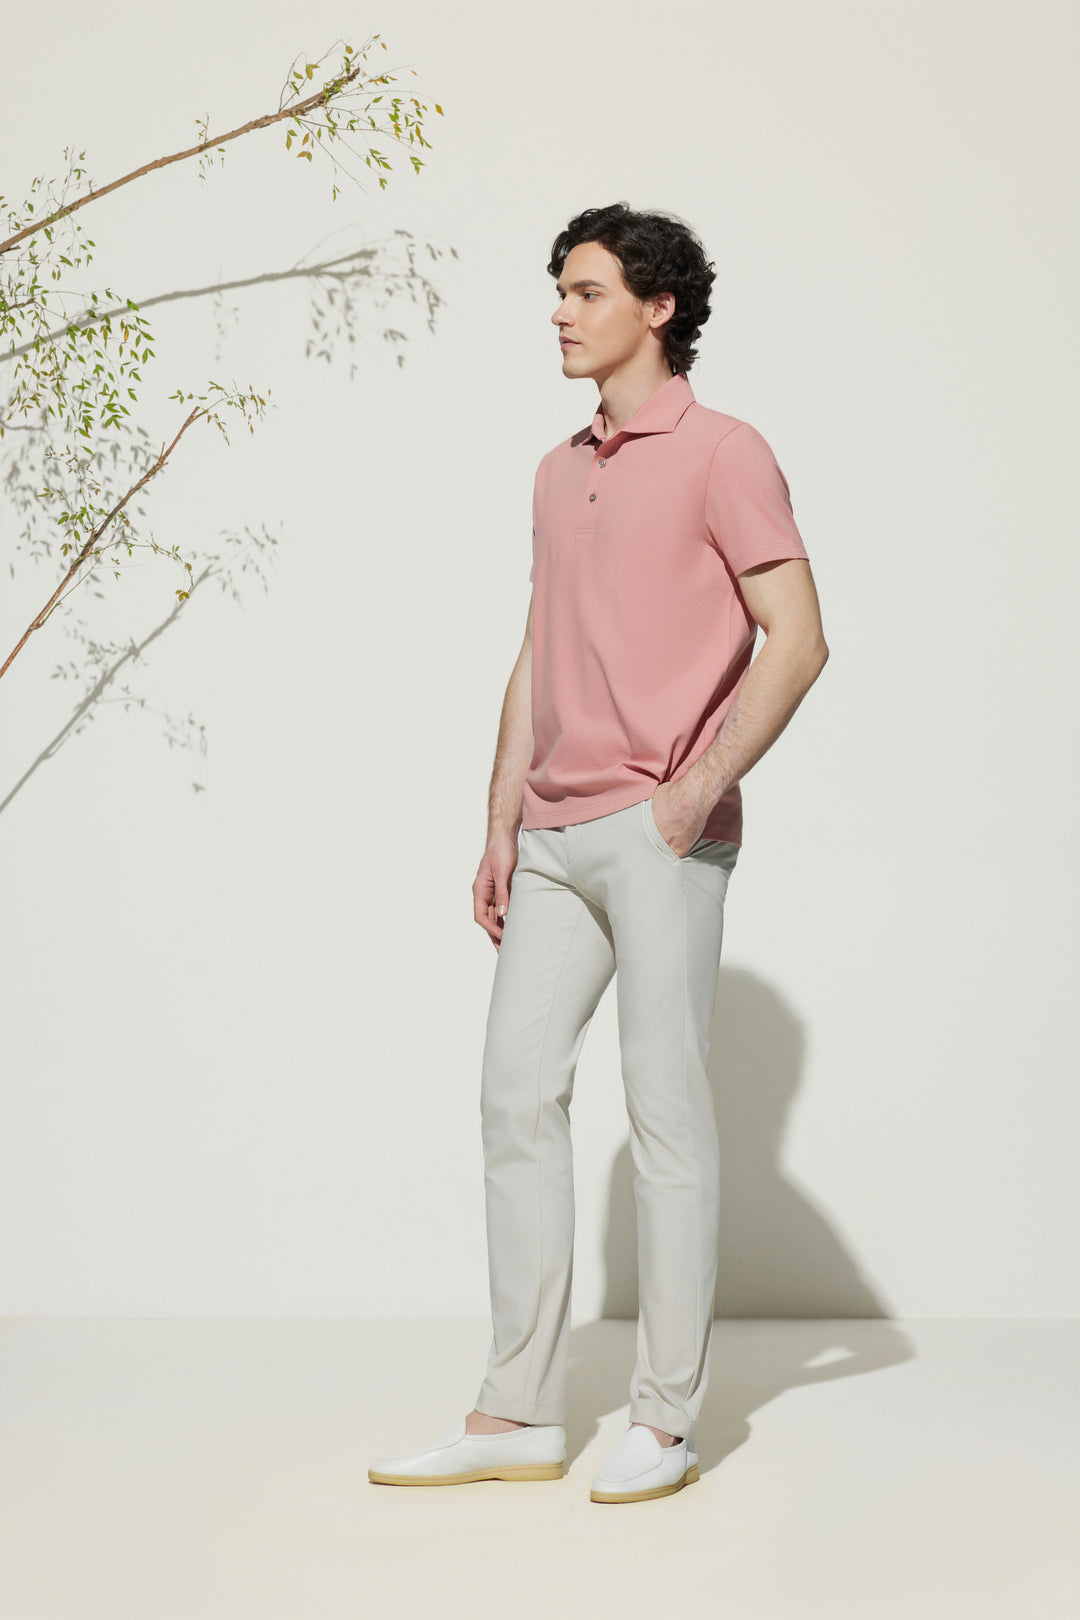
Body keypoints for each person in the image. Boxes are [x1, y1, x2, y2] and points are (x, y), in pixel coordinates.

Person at [369, 202, 829, 1504]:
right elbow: (542, 645)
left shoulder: (725, 452)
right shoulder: (554, 469)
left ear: (658, 308)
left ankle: (663, 1423)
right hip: (552, 832)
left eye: (586, 292)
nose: (561, 313)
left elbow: (798, 636)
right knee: (515, 1100)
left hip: (660, 834)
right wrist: (499, 817)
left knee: (666, 1113)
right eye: (559, 292)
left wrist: (694, 794)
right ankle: (516, 1412)